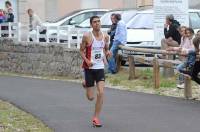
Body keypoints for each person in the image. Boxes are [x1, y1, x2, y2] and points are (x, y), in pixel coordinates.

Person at [80, 16, 111, 127]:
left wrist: (107, 53)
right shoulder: (87, 36)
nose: (97, 23)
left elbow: (106, 48)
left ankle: (96, 118)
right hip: (89, 69)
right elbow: (81, 51)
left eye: (98, 21)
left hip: (99, 68)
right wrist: (87, 61)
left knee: (101, 93)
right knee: (90, 97)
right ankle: (86, 84)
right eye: (94, 22)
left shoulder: (105, 36)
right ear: (91, 24)